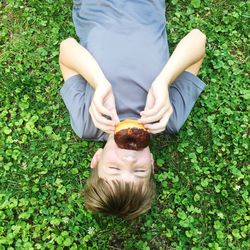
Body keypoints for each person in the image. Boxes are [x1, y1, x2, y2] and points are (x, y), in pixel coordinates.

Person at [59, 0, 206, 220]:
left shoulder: (86, 122)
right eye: (139, 172)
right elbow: (198, 39)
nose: (128, 161)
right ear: (152, 164)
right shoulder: (168, 118)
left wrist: (99, 83)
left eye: (114, 169)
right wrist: (164, 81)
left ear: (97, 159)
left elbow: (67, 48)